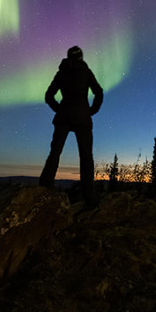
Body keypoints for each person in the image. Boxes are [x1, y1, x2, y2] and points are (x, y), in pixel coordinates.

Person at [39, 45, 104, 205]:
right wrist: (91, 111)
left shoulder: (62, 73)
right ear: (81, 57)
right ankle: (90, 197)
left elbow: (49, 96)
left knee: (55, 152)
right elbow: (99, 92)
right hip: (83, 117)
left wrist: (59, 109)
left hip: (64, 116)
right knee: (86, 157)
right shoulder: (85, 72)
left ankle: (45, 186)